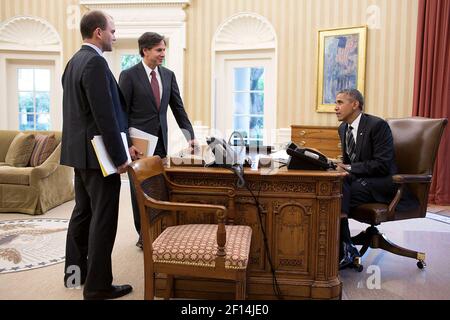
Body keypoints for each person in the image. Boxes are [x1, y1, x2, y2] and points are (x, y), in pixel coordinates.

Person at [61, 10, 133, 299]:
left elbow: (80, 114)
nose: (115, 36)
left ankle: (74, 275)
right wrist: (120, 158)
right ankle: (98, 286)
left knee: (82, 213)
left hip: (79, 155)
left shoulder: (73, 63)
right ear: (98, 32)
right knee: (103, 219)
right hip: (99, 158)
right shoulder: (95, 63)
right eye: (112, 31)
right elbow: (104, 117)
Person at [119, 32, 198, 248]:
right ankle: (143, 234)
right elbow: (121, 113)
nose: (163, 53)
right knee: (140, 190)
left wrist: (190, 137)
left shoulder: (168, 75)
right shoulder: (128, 75)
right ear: (145, 50)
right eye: (159, 50)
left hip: (161, 142)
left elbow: (178, 108)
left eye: (164, 49)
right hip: (139, 144)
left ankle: (159, 229)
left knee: (158, 187)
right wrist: (128, 144)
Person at [334, 89, 418, 270]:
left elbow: (382, 165)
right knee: (335, 188)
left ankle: (345, 248)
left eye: (340, 102)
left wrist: (349, 168)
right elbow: (350, 162)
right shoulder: (343, 128)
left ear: (355, 104)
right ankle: (345, 246)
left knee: (336, 197)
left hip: (385, 182)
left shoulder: (376, 125)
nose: (336, 108)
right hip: (361, 180)